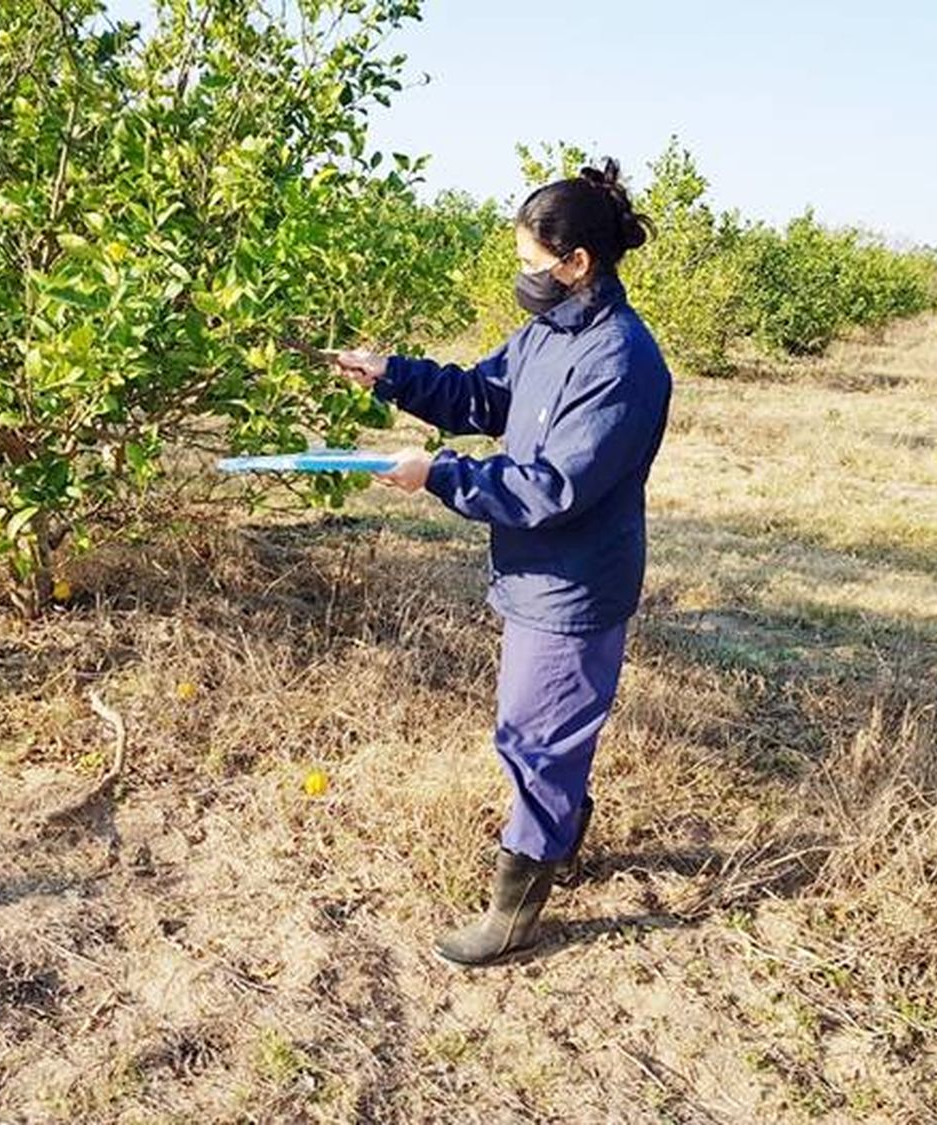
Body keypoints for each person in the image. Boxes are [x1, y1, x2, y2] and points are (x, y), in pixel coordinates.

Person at [329, 158, 673, 967]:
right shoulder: (550, 333)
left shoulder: (622, 362)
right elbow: (484, 397)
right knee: (544, 732)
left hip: (574, 580)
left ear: (577, 263)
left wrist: (438, 473)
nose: (526, 279)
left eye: (531, 264)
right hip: (532, 573)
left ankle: (515, 914)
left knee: (535, 738)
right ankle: (561, 838)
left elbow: (552, 487)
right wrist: (393, 376)